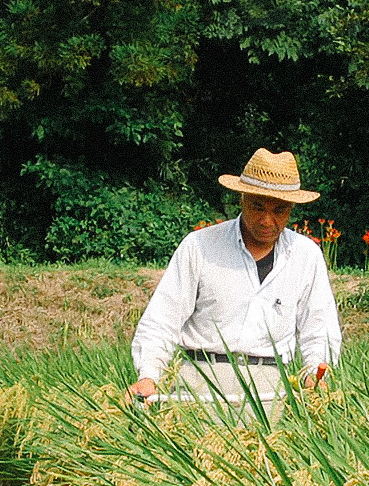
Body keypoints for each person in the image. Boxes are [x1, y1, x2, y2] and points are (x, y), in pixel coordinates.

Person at [129, 147, 342, 422]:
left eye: (279, 210)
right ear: (242, 199)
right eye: (257, 207)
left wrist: (316, 374)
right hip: (200, 382)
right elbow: (162, 320)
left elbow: (319, 329)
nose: (267, 220)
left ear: (291, 209)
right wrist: (149, 376)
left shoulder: (305, 256)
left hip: (270, 388)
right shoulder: (200, 246)